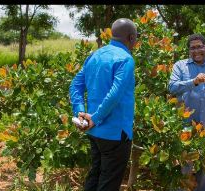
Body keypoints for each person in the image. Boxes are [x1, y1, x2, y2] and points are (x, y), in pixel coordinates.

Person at [69, 18, 137, 191]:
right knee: (109, 182)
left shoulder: (94, 55)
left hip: (94, 130)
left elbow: (75, 86)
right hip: (115, 132)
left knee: (96, 173)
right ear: (131, 38)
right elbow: (115, 93)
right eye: (135, 38)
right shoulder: (126, 59)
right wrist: (96, 118)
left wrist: (80, 112)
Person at [168, 34, 205, 191]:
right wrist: (193, 81)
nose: (197, 50)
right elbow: (172, 87)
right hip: (185, 126)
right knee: (184, 168)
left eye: (200, 46)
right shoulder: (180, 66)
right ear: (188, 50)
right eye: (192, 47)